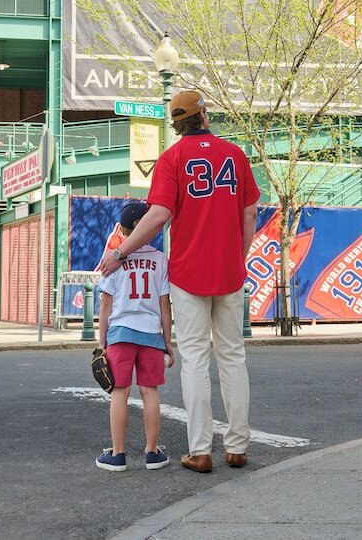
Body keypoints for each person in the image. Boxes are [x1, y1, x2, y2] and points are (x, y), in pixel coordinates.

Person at [99, 90, 259, 474]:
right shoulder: (235, 154)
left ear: (175, 122)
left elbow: (157, 216)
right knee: (233, 356)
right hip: (229, 269)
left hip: (188, 272)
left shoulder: (172, 159)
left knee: (195, 360)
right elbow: (250, 210)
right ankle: (236, 446)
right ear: (203, 115)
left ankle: (200, 449)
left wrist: (121, 252)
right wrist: (240, 254)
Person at [95, 201, 175, 472]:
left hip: (120, 333)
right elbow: (165, 304)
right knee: (149, 391)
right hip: (151, 333)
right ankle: (152, 452)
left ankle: (117, 454)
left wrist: (101, 341)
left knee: (120, 391)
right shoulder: (160, 260)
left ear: (123, 229)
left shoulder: (115, 259)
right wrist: (168, 342)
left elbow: (106, 305)